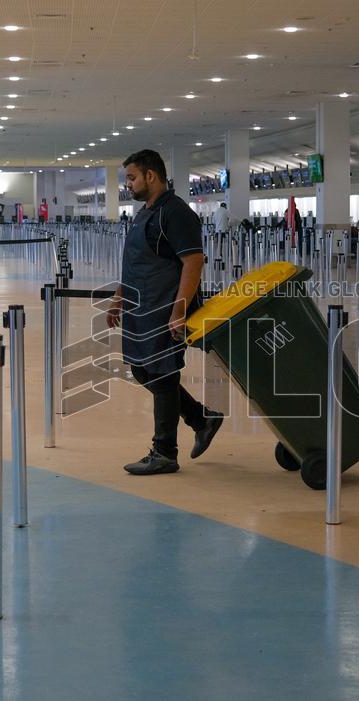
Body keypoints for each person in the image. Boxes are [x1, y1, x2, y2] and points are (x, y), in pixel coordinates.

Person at [107, 149, 223, 476]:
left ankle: (164, 452)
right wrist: (119, 297)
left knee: (162, 373)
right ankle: (202, 419)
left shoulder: (176, 212)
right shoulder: (145, 212)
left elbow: (193, 261)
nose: (128, 184)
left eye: (131, 177)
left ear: (151, 176)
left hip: (164, 308)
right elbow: (134, 263)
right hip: (140, 307)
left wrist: (179, 311)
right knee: (144, 372)